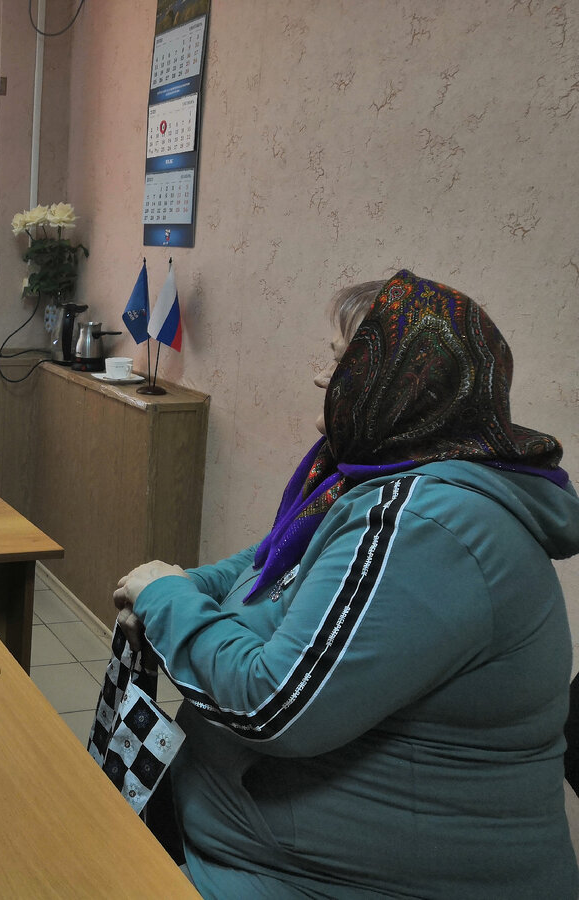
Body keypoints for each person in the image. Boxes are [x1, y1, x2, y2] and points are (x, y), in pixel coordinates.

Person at [114, 270, 579, 898]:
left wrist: (166, 598)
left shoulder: (429, 524)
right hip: (249, 836)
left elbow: (271, 702)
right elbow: (272, 562)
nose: (320, 376)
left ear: (396, 382)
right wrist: (184, 583)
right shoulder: (379, 479)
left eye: (340, 360)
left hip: (325, 879)